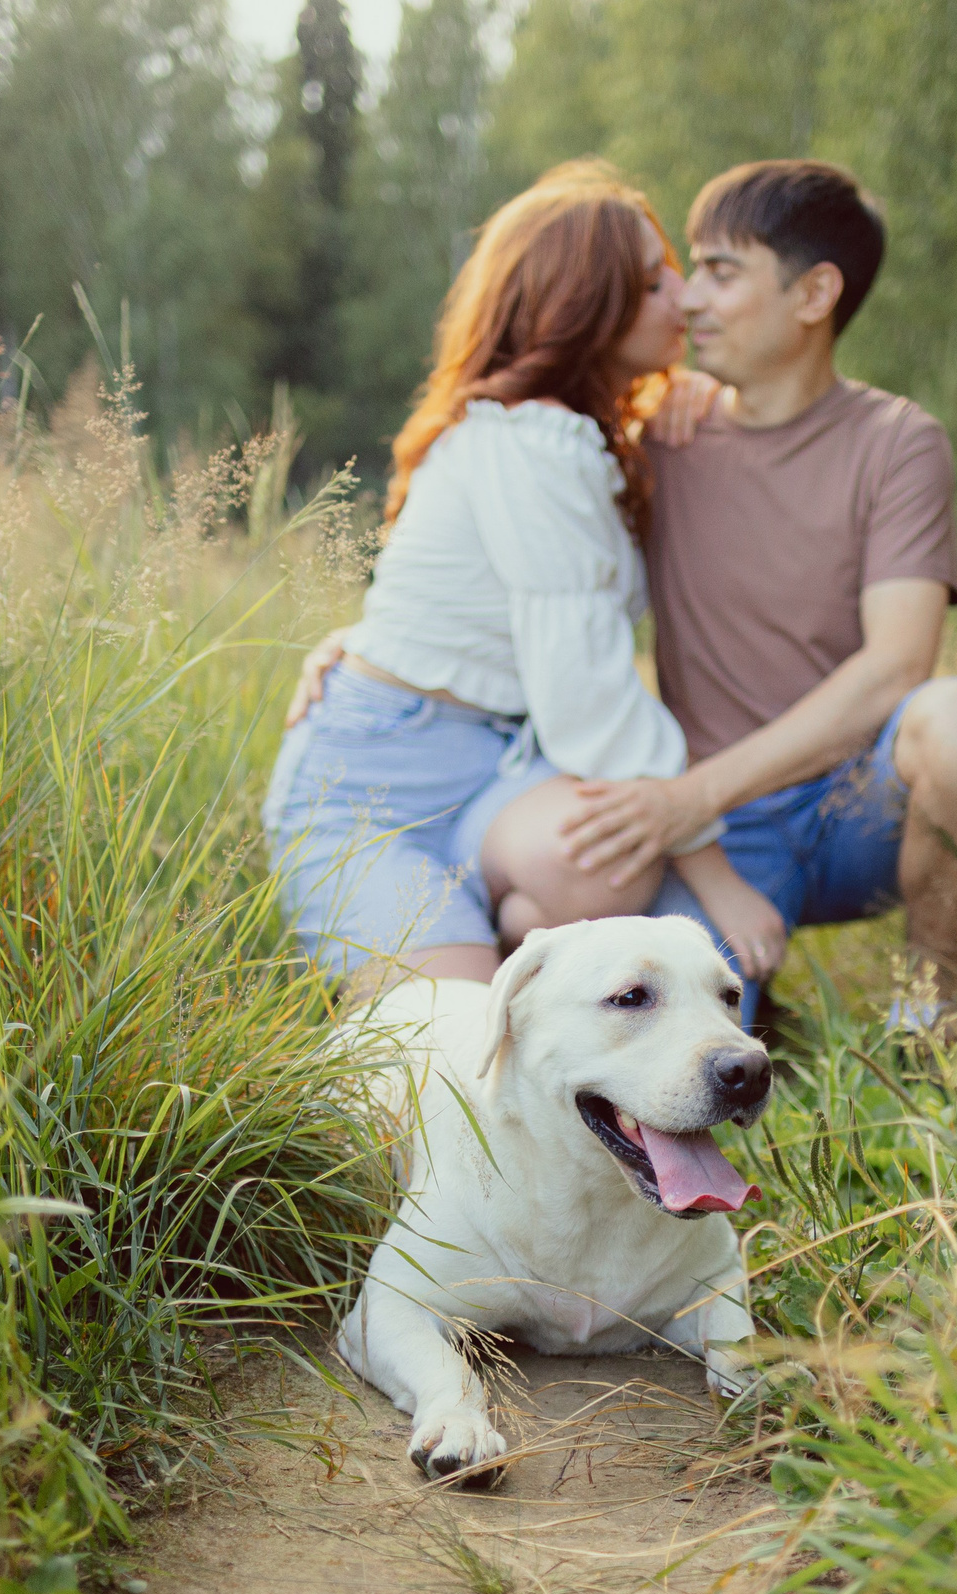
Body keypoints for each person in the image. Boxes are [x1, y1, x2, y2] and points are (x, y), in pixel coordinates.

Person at [261, 161, 783, 994]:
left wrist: (678, 392)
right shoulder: (532, 443)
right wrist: (717, 876)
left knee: (604, 860)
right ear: (584, 306)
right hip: (370, 791)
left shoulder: (585, 436)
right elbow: (589, 700)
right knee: (459, 1064)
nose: (683, 297)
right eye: (652, 283)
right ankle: (496, 932)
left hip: (501, 764)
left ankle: (520, 915)